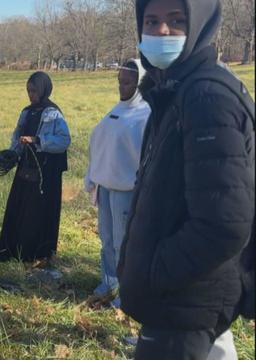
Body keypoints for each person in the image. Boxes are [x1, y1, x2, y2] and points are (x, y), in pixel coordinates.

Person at [117, 0, 255, 358]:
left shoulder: (205, 98)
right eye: (152, 21)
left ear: (200, 25)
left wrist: (155, 272)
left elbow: (224, 224)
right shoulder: (176, 92)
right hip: (188, 301)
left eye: (176, 21)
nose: (161, 31)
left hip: (184, 303)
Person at [84, 59, 150, 308]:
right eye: (119, 81)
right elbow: (99, 143)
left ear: (140, 83)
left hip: (127, 189)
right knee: (107, 240)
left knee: (124, 243)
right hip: (106, 186)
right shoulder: (117, 109)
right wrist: (92, 174)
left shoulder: (145, 114)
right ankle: (109, 281)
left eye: (127, 82)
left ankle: (127, 291)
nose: (121, 87)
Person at [0, 71, 71, 263]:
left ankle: (34, 253)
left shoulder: (53, 113)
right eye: (28, 90)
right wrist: (13, 153)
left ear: (43, 89)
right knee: (19, 208)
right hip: (25, 168)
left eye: (34, 90)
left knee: (37, 212)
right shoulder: (26, 112)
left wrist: (38, 140)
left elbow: (64, 140)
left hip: (45, 173)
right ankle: (12, 248)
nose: (31, 94)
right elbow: (17, 136)